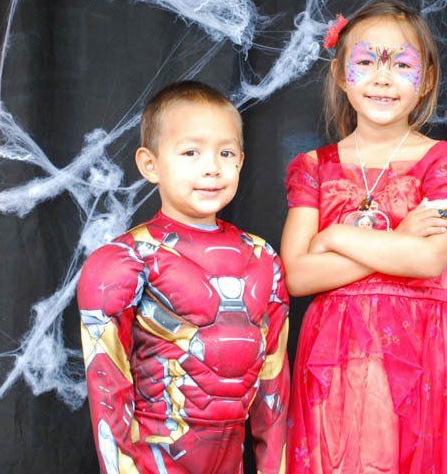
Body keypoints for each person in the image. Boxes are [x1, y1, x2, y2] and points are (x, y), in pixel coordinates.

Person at [282, 0, 447, 473]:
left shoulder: (443, 163)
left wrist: (333, 237)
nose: (383, 78)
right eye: (366, 62)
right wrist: (398, 239)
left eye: (402, 64)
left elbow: (428, 262)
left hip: (418, 348)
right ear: (341, 75)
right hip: (334, 357)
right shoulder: (314, 168)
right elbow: (296, 276)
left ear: (426, 78)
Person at [77, 81, 289, 474]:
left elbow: (273, 385)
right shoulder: (122, 262)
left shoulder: (263, 260)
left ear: (240, 161)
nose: (211, 167)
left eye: (225, 153)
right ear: (150, 164)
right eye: (191, 152)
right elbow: (107, 390)